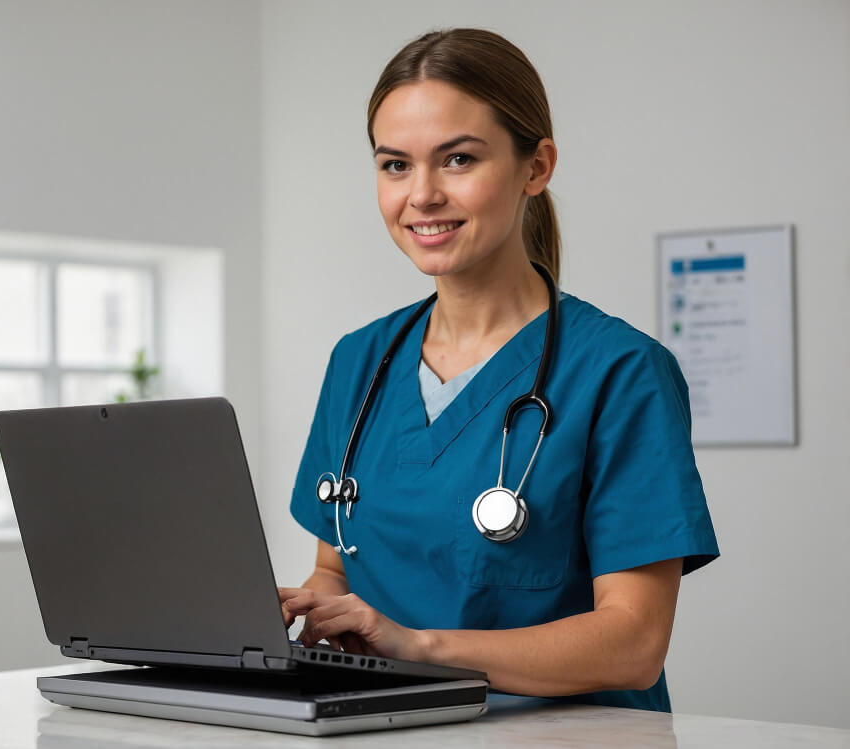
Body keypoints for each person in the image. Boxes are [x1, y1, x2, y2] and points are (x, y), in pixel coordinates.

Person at [279, 28, 719, 713]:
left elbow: (634, 642)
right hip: (382, 726)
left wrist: (418, 646)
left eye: (457, 159)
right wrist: (313, 615)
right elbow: (334, 567)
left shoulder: (621, 372)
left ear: (535, 167)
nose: (421, 195)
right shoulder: (359, 361)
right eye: (395, 165)